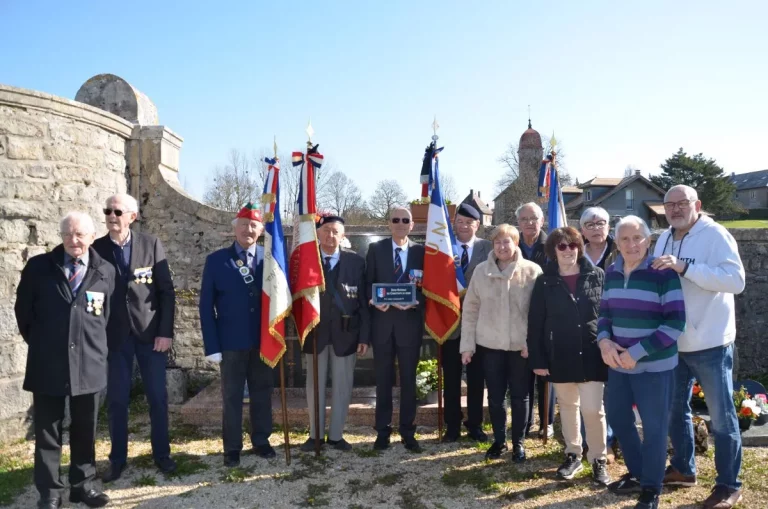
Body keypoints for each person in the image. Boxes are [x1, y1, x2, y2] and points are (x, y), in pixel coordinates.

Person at [653, 185, 746, 509]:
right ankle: (683, 468)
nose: (676, 209)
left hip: (710, 343)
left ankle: (728, 485)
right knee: (674, 411)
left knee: (721, 418)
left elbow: (736, 281)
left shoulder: (715, 235)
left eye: (683, 203)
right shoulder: (663, 238)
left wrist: (686, 268)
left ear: (698, 205)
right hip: (673, 342)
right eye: (670, 204)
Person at [15, 212, 115, 508]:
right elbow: (24, 314)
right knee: (48, 431)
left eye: (81, 234)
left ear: (92, 237)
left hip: (90, 364)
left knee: (86, 427)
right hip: (49, 362)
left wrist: (91, 346)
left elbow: (105, 317)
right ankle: (50, 492)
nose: (75, 240)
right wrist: (46, 343)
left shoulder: (105, 270)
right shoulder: (39, 267)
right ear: (62, 236)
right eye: (69, 234)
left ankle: (83, 485)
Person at [598, 215, 686, 509]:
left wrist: (634, 353)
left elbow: (675, 324)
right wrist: (604, 340)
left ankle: (651, 488)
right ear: (617, 242)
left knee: (654, 427)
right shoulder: (611, 272)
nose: (631, 244)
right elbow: (605, 315)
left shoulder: (664, 274)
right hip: (618, 366)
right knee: (619, 419)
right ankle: (639, 473)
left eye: (637, 238)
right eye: (624, 238)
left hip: (654, 367)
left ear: (648, 241)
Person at [92, 193, 176, 482]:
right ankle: (117, 460)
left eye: (117, 212)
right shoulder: (96, 249)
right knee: (116, 400)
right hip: (115, 338)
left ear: (132, 216)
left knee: (157, 397)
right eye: (108, 211)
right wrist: (95, 334)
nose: (112, 216)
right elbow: (92, 296)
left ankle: (162, 455)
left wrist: (165, 332)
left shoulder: (151, 245)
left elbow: (166, 292)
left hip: (151, 336)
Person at [527, 226, 610, 485]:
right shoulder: (544, 281)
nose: (567, 251)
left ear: (579, 247)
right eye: (561, 246)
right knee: (568, 408)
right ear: (553, 251)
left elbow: (607, 314)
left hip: (592, 353)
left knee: (593, 409)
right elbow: (535, 322)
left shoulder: (597, 275)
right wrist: (539, 360)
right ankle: (573, 453)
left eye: (572, 245)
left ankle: (599, 458)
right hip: (559, 354)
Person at [199, 203, 276, 467]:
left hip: (263, 340)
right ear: (235, 228)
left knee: (262, 393)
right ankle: (232, 447)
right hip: (230, 343)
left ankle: (262, 441)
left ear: (261, 230)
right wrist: (212, 345)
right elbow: (206, 306)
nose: (248, 229)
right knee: (231, 397)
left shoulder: (271, 259)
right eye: (243, 224)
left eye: (254, 225)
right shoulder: (217, 260)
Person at [460, 224, 542, 462]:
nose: (502, 247)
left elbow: (538, 313)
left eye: (507, 241)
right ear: (492, 245)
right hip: (490, 346)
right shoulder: (480, 271)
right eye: (498, 242)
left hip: (521, 348)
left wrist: (532, 344)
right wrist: (467, 346)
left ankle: (518, 443)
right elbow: (471, 310)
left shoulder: (533, 271)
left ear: (516, 243)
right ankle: (499, 441)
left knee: (520, 396)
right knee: (495, 397)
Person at [301, 214, 371, 452]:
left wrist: (364, 337)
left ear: (343, 236)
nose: (330, 236)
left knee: (342, 386)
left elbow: (363, 302)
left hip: (346, 333)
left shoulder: (356, 262)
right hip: (315, 334)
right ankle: (315, 435)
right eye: (326, 231)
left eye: (335, 232)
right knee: (314, 386)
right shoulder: (307, 260)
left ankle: (336, 435)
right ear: (318, 234)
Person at [366, 206, 426, 453]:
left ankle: (408, 432)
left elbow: (428, 287)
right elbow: (367, 283)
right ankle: (382, 432)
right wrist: (373, 300)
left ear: (412, 225)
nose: (400, 223)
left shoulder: (422, 252)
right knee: (383, 382)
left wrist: (417, 301)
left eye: (405, 220)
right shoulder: (376, 250)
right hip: (382, 326)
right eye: (395, 220)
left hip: (409, 326)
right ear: (388, 224)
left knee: (409, 383)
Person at [441, 203, 492, 443]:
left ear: (477, 225)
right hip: (449, 324)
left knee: (476, 378)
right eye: (459, 222)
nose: (463, 227)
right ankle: (452, 425)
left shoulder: (489, 249)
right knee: (450, 378)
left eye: (468, 223)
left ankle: (474, 424)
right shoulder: (443, 247)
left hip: (480, 325)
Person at [579, 206, 619, 462]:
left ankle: (609, 441)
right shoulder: (573, 252)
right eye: (590, 224)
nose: (596, 228)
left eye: (600, 223)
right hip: (582, 327)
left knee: (613, 389)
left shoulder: (621, 251)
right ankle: (587, 442)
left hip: (617, 325)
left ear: (609, 226)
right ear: (582, 229)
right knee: (587, 387)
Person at [515, 202, 555, 439]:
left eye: (533, 218)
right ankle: (526, 421)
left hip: (546, 316)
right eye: (524, 219)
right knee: (523, 373)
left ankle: (547, 422)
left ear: (542, 221)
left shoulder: (552, 245)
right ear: (518, 223)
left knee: (545, 372)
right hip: (518, 316)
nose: (529, 223)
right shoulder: (511, 244)